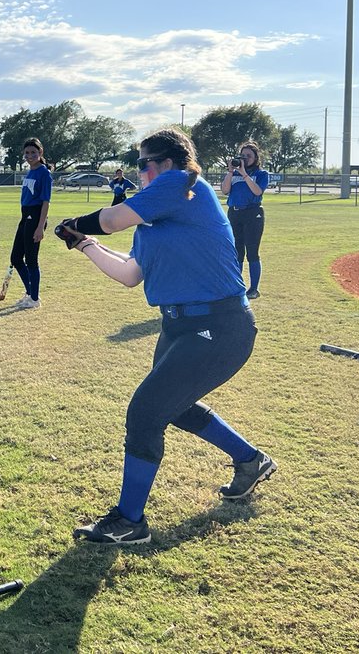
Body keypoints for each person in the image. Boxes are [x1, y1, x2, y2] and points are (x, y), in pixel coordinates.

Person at [57, 127, 275, 546]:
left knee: (145, 412)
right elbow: (129, 274)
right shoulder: (154, 222)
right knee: (172, 407)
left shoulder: (185, 184)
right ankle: (251, 460)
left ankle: (129, 521)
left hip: (221, 325)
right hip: (179, 325)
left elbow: (111, 220)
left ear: (167, 165)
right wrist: (84, 244)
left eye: (144, 165)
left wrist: (80, 223)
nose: (139, 173)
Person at [219, 141, 269, 300]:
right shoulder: (234, 174)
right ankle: (236, 287)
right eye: (243, 155)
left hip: (253, 214)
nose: (245, 159)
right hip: (235, 213)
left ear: (256, 158)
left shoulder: (261, 174)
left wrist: (245, 174)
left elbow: (257, 191)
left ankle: (254, 289)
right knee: (237, 252)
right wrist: (230, 172)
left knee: (252, 252)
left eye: (249, 156)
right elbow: (225, 190)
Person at [8, 138, 51, 309]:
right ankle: (30, 292)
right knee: (16, 258)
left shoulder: (43, 173)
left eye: (33, 152)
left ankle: (34, 299)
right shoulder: (30, 172)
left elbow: (46, 202)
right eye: (27, 153)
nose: (30, 155)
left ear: (40, 153)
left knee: (31, 260)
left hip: (36, 217)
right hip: (25, 216)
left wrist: (40, 227)